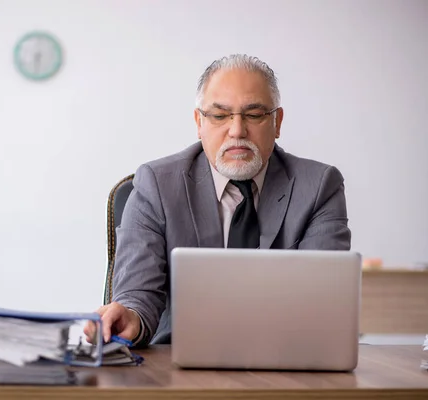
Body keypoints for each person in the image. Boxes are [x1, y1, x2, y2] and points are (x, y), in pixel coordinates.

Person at [84, 54, 351, 347]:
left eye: (254, 114)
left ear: (277, 122)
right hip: (180, 362)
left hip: (286, 357)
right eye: (220, 115)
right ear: (199, 123)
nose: (237, 130)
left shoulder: (319, 186)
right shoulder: (156, 184)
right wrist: (132, 317)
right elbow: (138, 294)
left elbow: (321, 302)